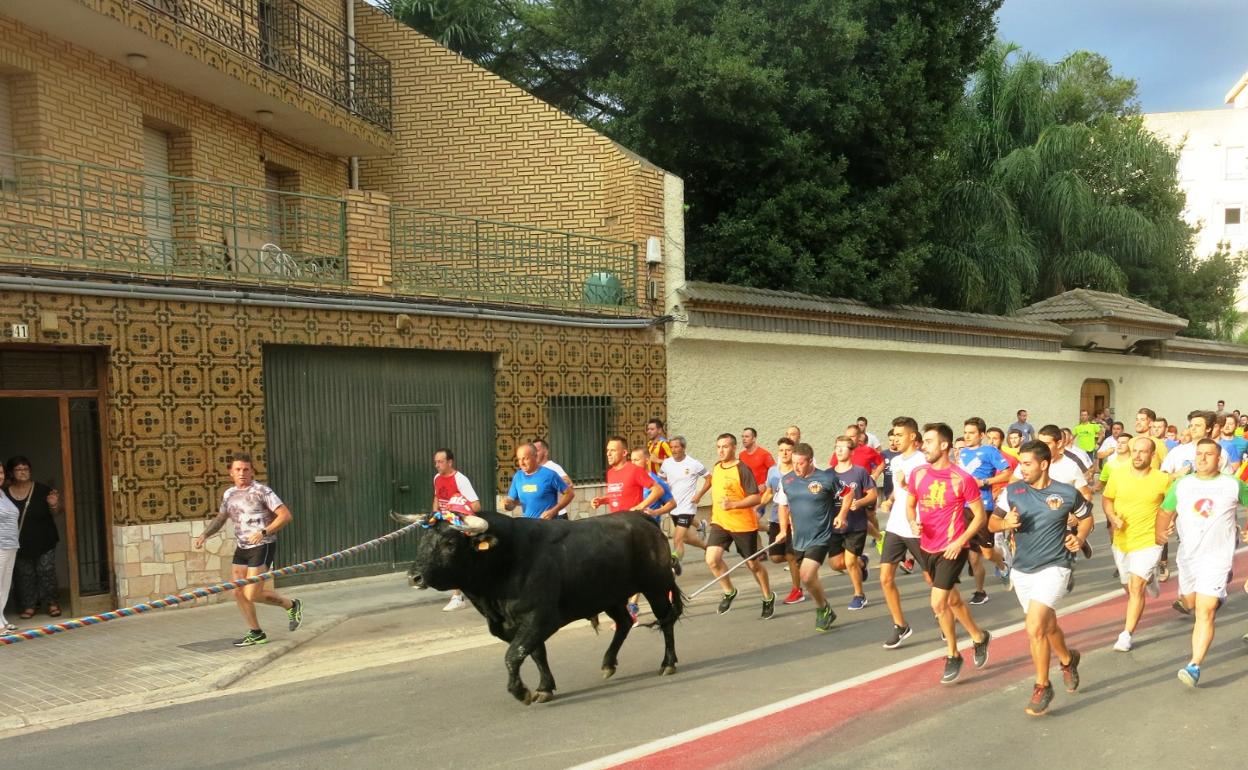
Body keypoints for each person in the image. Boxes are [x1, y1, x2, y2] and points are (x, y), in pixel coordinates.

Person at [990, 440, 1091, 716]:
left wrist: (1079, 537)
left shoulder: (1066, 493)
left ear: (1043, 464)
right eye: (1020, 463)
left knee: (1034, 626)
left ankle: (1042, 685)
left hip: (1056, 565)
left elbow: (1086, 517)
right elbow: (992, 523)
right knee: (1046, 627)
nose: (1021, 469)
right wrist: (1004, 523)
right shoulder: (1012, 492)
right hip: (1023, 568)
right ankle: (1068, 660)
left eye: (1026, 463)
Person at [1158, 438, 1248, 686]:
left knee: (1205, 610)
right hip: (1188, 557)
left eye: (1209, 454)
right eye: (1199, 454)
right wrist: (1159, 534)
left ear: (1219, 459)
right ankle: (1214, 594)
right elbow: (1166, 511)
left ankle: (1194, 664)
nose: (1203, 458)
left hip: (1217, 558)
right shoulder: (1182, 484)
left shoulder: (1232, 485)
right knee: (1190, 603)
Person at [908, 423, 992, 684]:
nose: (924, 446)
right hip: (927, 546)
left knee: (938, 602)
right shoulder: (918, 474)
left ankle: (953, 654)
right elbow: (911, 506)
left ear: (944, 445)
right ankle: (979, 637)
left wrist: (961, 541)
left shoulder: (961, 478)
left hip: (953, 549)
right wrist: (913, 522)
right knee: (952, 600)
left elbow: (979, 518)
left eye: (929, 441)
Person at [194, 454, 303, 647]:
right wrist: (205, 534)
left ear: (252, 471)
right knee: (238, 592)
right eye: (238, 470)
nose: (242, 473)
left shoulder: (262, 491)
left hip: (263, 545)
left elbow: (285, 516)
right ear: (231, 473)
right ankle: (256, 633)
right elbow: (221, 518)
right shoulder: (229, 494)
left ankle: (291, 605)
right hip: (242, 547)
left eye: (246, 469)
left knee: (252, 593)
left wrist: (264, 531)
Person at [692, 433, 775, 618]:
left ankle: (768, 596)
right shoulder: (717, 467)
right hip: (720, 522)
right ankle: (729, 591)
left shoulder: (742, 469)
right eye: (718, 447)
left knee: (753, 565)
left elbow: (756, 497)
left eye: (725, 446)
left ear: (734, 448)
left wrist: (734, 505)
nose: (721, 450)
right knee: (712, 559)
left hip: (743, 524)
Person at [774, 442, 852, 632]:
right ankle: (825, 608)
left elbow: (848, 493)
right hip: (799, 537)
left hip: (821, 535)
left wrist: (841, 515)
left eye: (800, 463)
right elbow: (783, 506)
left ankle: (821, 610)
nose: (796, 467)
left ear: (810, 461)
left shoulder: (825, 478)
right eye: (794, 463)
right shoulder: (787, 481)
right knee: (810, 579)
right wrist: (783, 530)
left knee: (807, 576)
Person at [1103, 437, 1170, 653]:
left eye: (1143, 452)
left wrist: (1170, 525)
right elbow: (1107, 499)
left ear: (1152, 455)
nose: (1138, 455)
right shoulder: (1118, 473)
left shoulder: (1162, 480)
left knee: (1135, 587)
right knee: (1128, 586)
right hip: (1122, 540)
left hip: (1149, 541)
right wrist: (1112, 517)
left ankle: (1126, 634)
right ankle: (1149, 578)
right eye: (1135, 451)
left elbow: (1172, 506)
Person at [878, 417, 928, 648]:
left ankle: (945, 614)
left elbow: (924, 492)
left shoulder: (924, 460)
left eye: (899, 434)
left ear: (912, 437)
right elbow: (899, 492)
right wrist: (889, 501)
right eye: (894, 435)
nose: (895, 438)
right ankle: (901, 625)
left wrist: (907, 486)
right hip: (896, 526)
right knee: (885, 578)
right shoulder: (896, 461)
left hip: (918, 526)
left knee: (932, 578)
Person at [958, 418, 1013, 605]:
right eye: (965, 432)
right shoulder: (962, 453)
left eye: (971, 432)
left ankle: (1002, 564)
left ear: (981, 435)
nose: (967, 436)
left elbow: (1007, 473)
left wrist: (985, 482)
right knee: (973, 558)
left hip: (984, 507)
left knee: (987, 554)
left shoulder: (990, 451)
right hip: (964, 508)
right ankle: (980, 591)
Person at [5, 456, 62, 620]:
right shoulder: (4, 494)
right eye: (19, 469)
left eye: (26, 469)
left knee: (46, 571)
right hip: (19, 542)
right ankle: (29, 605)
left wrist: (54, 504)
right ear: (11, 472)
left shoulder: (43, 490)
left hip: (45, 539)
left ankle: (52, 603)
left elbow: (57, 512)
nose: (23, 472)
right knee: (24, 574)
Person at [430, 448, 482, 611]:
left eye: (440, 461)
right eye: (436, 462)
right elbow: (437, 497)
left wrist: (456, 510)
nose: (437, 465)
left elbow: (476, 505)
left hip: (458, 526)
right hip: (443, 524)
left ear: (450, 462)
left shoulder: (461, 480)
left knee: (454, 559)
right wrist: (435, 516)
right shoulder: (437, 478)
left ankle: (457, 597)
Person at [829, 435, 878, 610]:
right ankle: (862, 562)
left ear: (851, 451)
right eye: (837, 447)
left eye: (843, 447)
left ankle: (859, 595)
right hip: (834, 526)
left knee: (850, 562)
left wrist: (860, 502)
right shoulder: (829, 474)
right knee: (836, 564)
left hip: (856, 524)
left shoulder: (859, 472)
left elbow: (873, 494)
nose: (839, 450)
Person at [759, 437, 803, 604]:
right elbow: (769, 492)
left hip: (795, 520)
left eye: (788, 450)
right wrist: (759, 507)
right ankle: (801, 561)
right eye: (781, 450)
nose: (784, 453)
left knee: (791, 555)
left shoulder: (798, 471)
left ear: (793, 452)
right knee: (776, 557)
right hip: (776, 519)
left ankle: (797, 590)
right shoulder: (772, 471)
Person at [659, 436, 709, 574]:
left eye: (677, 447)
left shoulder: (693, 464)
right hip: (673, 506)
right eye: (672, 447)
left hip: (688, 506)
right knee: (686, 538)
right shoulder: (667, 463)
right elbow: (661, 481)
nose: (674, 450)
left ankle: (675, 563)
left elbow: (709, 479)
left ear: (683, 448)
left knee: (677, 538)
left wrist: (699, 495)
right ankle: (706, 546)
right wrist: (664, 490)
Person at [590, 437, 662, 514]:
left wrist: (640, 506)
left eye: (613, 450)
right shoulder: (610, 473)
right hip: (616, 520)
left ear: (624, 453)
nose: (608, 454)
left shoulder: (635, 470)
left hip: (632, 521)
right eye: (608, 450)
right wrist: (601, 501)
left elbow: (658, 490)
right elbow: (617, 495)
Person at [504, 443, 573, 520]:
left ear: (535, 457)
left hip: (548, 526)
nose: (522, 463)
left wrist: (554, 511)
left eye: (525, 458)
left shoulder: (549, 474)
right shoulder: (518, 477)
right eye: (519, 459)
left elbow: (570, 494)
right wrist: (507, 504)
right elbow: (511, 505)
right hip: (530, 527)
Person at [737, 427, 776, 519]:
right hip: (745, 496)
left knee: (752, 520)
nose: (743, 439)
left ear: (754, 438)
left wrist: (766, 485)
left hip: (760, 497)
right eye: (742, 437)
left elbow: (775, 472)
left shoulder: (764, 454)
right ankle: (768, 529)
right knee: (749, 523)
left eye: (746, 436)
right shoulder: (741, 455)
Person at [533, 439, 575, 519]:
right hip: (541, 517)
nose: (534, 453)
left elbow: (570, 484)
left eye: (537, 450)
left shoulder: (553, 467)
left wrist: (560, 481)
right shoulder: (534, 469)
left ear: (545, 452)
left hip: (558, 515)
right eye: (533, 451)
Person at [0, 461, 19, 632]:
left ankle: (1, 618)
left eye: (1, 473)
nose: (0, 476)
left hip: (10, 545)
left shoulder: (2, 494)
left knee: (5, 584)